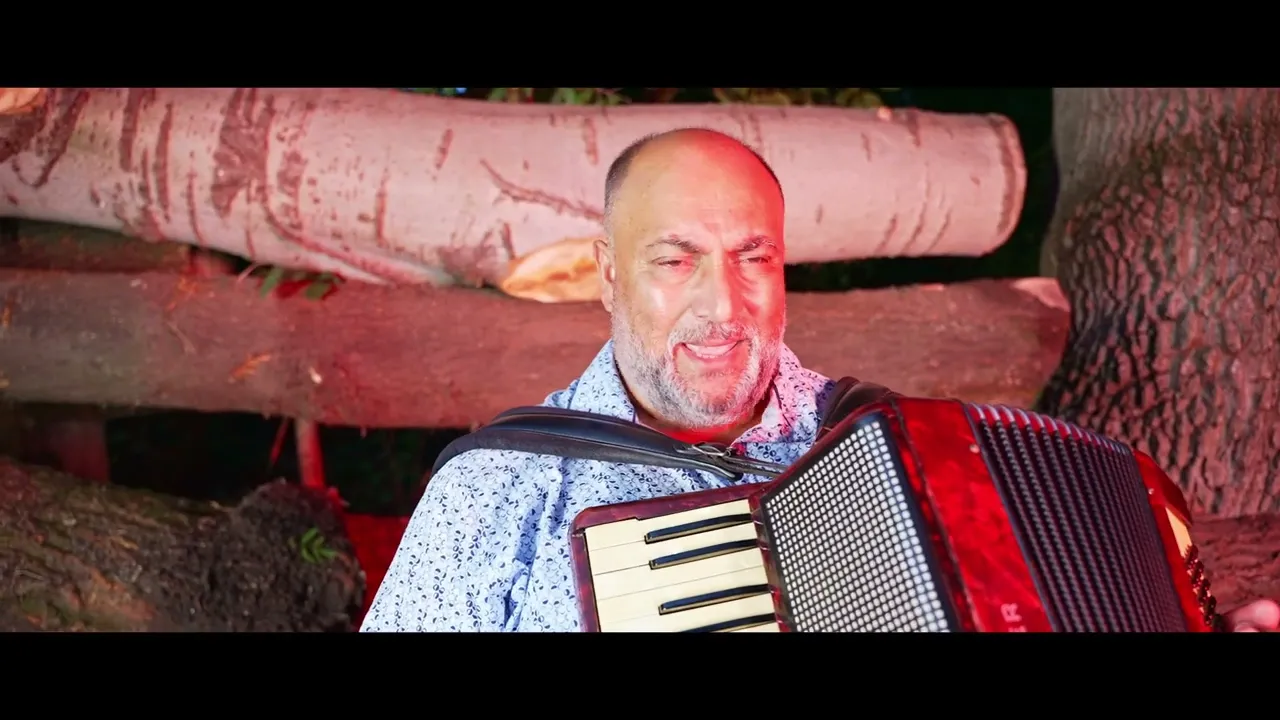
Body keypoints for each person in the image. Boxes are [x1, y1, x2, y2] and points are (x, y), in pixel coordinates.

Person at [360, 127, 1279, 633]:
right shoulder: (498, 489)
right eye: (675, 260)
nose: (723, 304)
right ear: (607, 274)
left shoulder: (901, 450)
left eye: (751, 257)